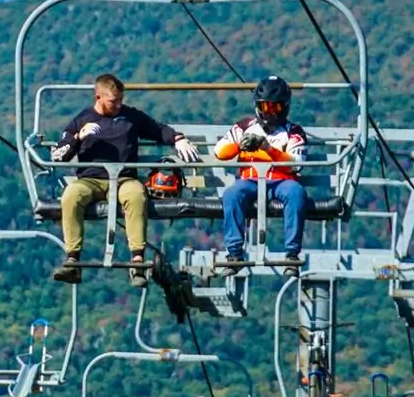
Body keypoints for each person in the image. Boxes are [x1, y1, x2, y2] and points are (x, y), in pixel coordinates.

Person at [49, 73, 200, 285]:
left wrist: (178, 138)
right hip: (90, 180)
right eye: (113, 101)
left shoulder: (131, 117)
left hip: (123, 179)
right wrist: (77, 138)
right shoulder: (82, 120)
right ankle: (73, 259)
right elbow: (58, 155)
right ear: (98, 97)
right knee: (71, 196)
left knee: (136, 195)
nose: (118, 105)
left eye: (121, 100)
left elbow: (158, 129)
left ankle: (137, 260)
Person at [213, 75, 309, 267]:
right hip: (251, 180)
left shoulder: (294, 132)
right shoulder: (244, 126)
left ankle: (292, 253)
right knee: (232, 194)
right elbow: (219, 152)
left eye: (276, 107)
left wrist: (268, 149)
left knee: (296, 193)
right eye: (265, 107)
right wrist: (240, 145)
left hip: (281, 181)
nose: (270, 112)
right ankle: (234, 252)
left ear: (285, 107)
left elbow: (296, 163)